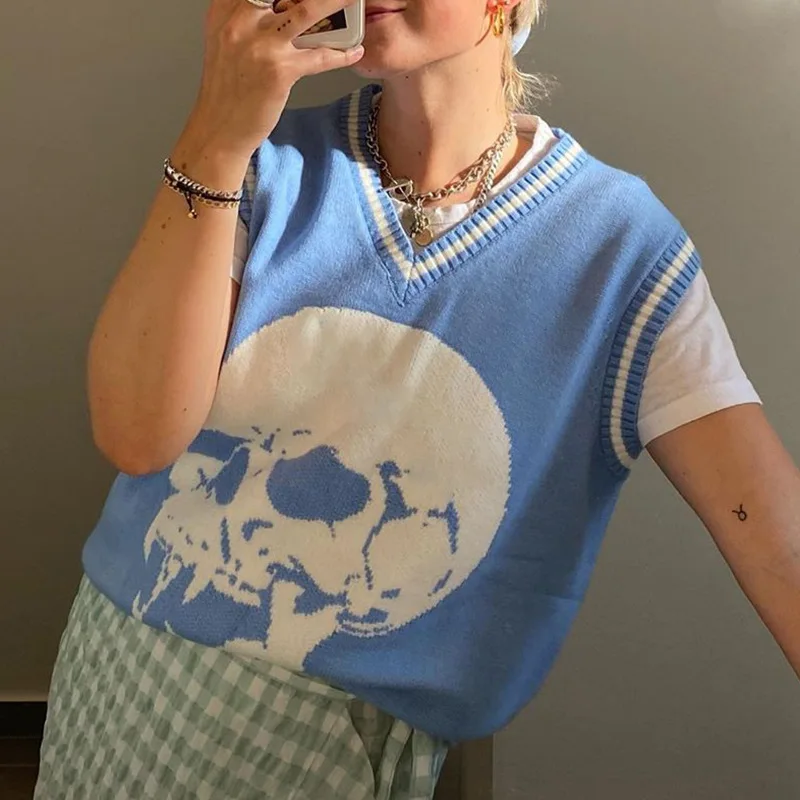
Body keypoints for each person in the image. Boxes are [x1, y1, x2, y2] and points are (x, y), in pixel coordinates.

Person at [35, 0, 800, 796]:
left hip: (332, 758)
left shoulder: (619, 251)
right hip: (119, 674)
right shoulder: (261, 165)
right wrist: (215, 138)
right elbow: (136, 436)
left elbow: (776, 543)